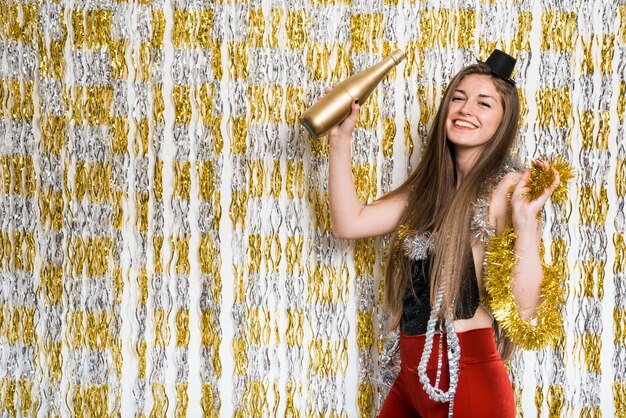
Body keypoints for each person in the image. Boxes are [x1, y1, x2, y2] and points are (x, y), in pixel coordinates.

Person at [327, 50, 561, 417]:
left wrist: (527, 222)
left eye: (484, 103)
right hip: (410, 374)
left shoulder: (508, 188)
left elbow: (526, 309)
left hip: (466, 373)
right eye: (457, 98)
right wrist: (341, 140)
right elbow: (350, 223)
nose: (466, 109)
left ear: (503, 121)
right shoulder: (427, 190)